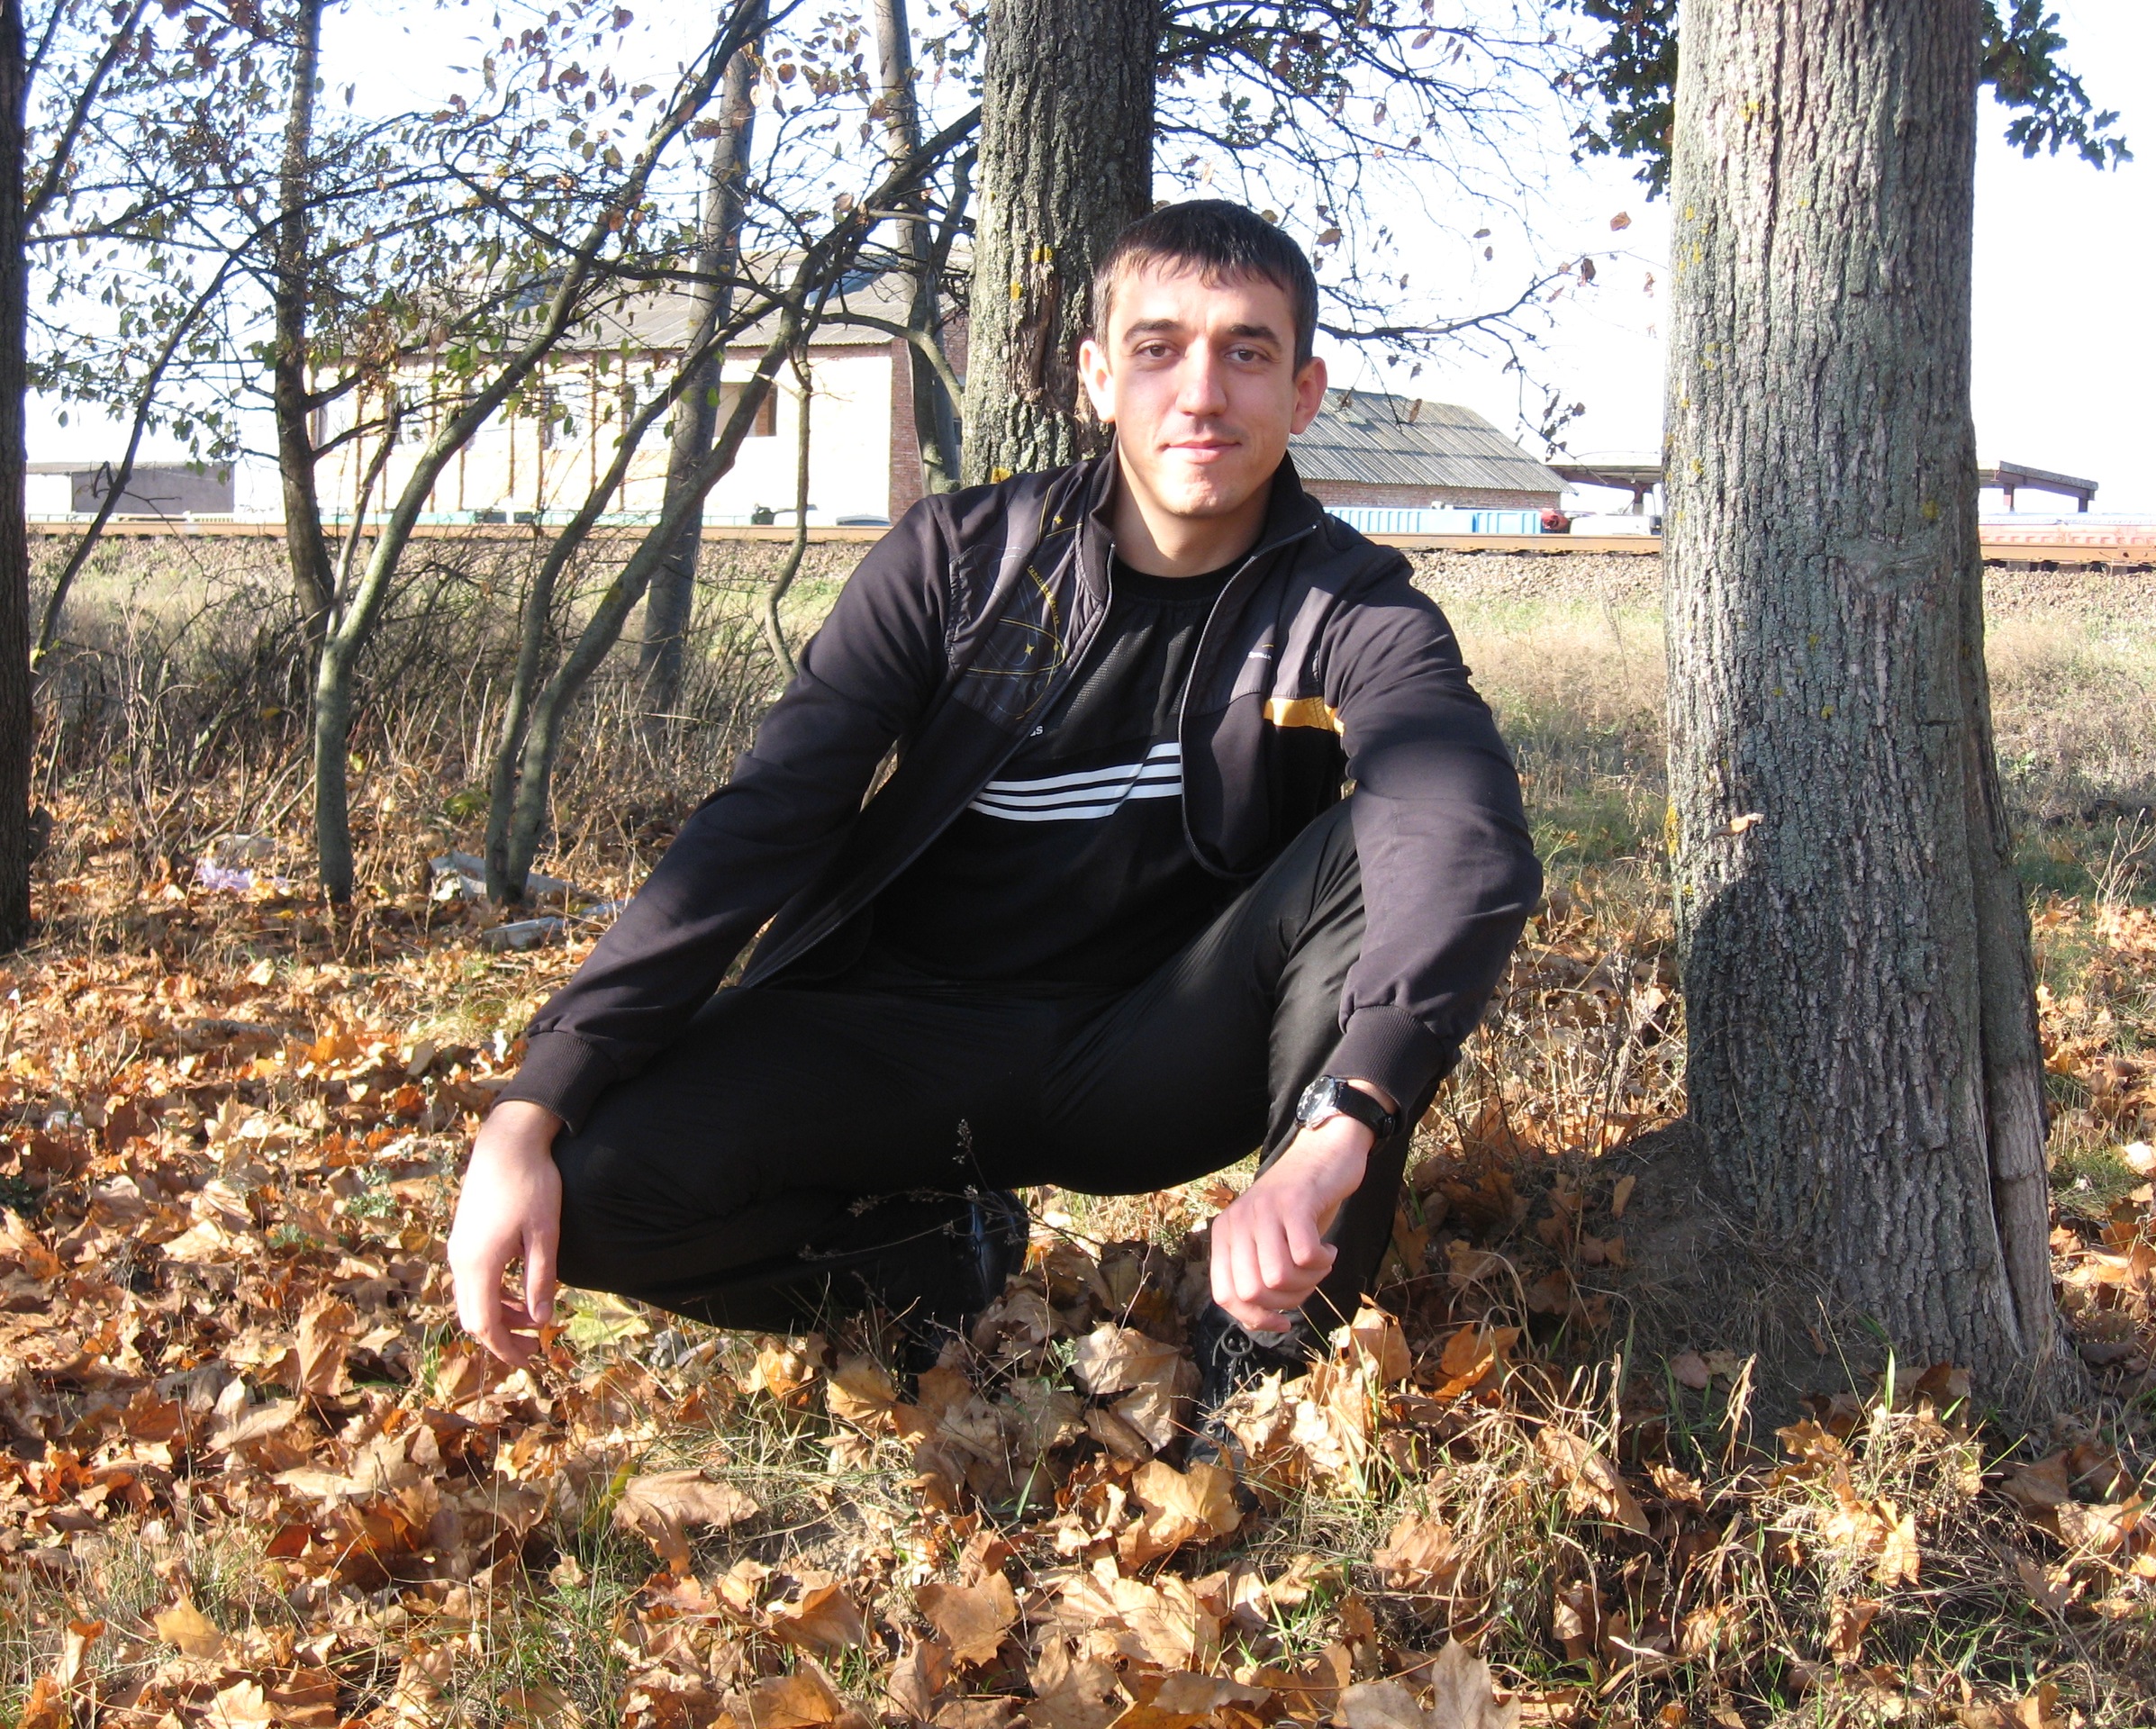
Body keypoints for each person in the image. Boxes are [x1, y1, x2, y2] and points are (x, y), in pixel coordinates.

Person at [446, 199, 1542, 1422]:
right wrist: (534, 1102)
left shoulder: (1350, 605)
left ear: (1303, 394)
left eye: (1247, 351)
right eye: (1158, 348)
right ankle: (931, 1266)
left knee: (1378, 850)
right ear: (1097, 378)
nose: (1201, 393)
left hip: (1154, 1052)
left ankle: (1266, 1357)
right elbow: (766, 819)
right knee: (593, 1192)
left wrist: (1346, 1119)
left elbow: (1462, 832)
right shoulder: (960, 561)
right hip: (897, 1040)